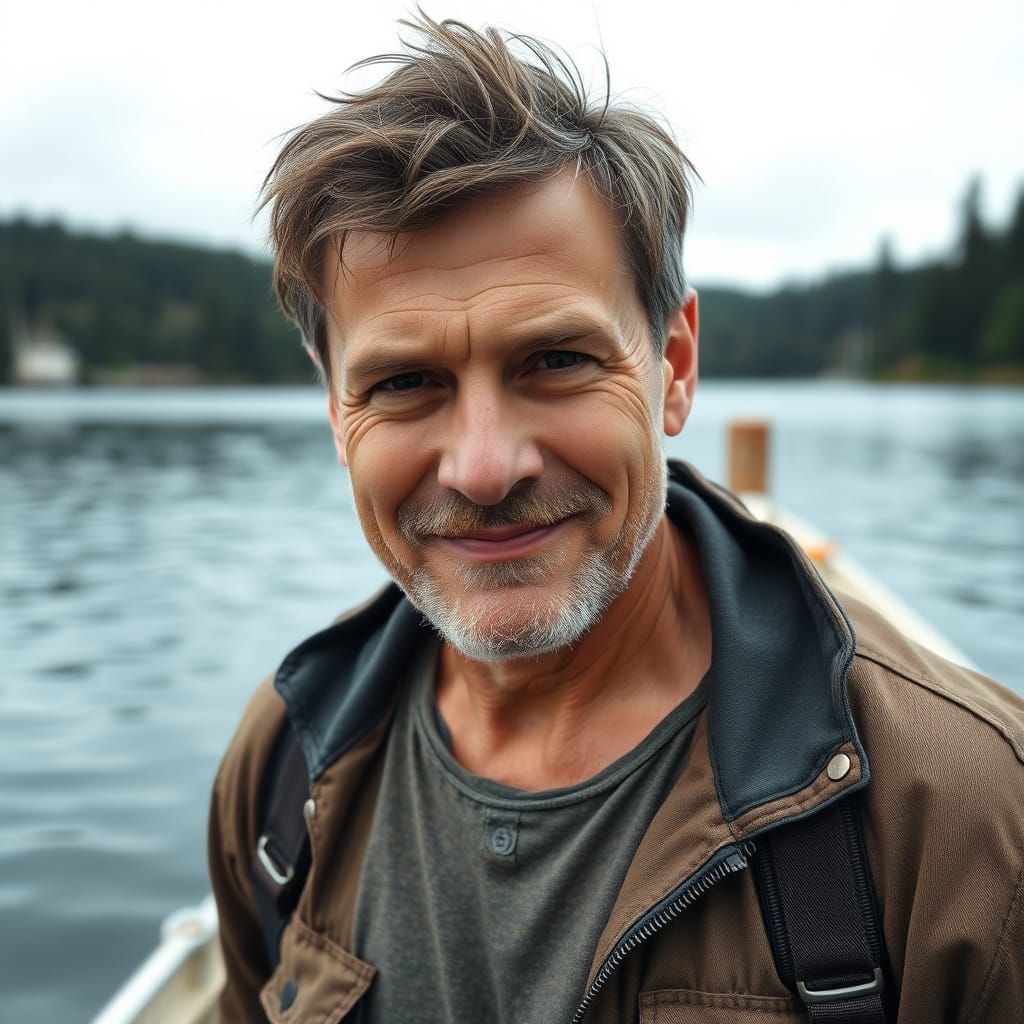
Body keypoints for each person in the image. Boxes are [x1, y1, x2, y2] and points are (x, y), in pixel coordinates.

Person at [207, 14, 1024, 1023]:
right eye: (405, 382)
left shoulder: (964, 817)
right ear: (337, 411)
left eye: (554, 360)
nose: (484, 467)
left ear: (672, 368)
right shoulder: (285, 764)